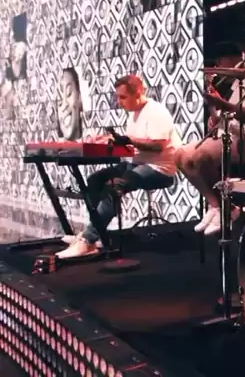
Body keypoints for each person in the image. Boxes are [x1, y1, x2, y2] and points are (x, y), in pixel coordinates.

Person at [57, 75, 180, 259]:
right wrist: (110, 140)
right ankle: (98, 235)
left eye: (123, 97)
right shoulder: (133, 115)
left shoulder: (156, 112)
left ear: (137, 94)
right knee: (95, 180)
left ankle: (88, 240)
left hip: (159, 168)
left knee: (114, 186)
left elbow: (157, 146)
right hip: (136, 164)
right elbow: (133, 144)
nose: (119, 102)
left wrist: (128, 140)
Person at [177, 43, 245, 236]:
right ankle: (217, 206)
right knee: (180, 155)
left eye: (220, 62)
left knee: (199, 156)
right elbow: (223, 121)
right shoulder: (235, 87)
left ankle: (226, 208)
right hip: (233, 138)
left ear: (231, 60)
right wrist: (214, 107)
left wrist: (222, 104)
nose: (218, 66)